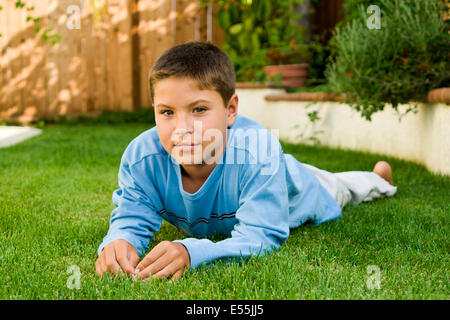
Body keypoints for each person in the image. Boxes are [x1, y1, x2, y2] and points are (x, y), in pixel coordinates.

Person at [95, 41, 397, 281]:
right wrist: (120, 241)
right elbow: (131, 216)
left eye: (199, 109)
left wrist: (192, 252)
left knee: (339, 186)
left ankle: (378, 179)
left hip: (298, 189)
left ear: (230, 109)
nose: (182, 127)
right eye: (167, 112)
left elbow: (260, 235)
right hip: (268, 170)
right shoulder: (141, 160)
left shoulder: (259, 153)